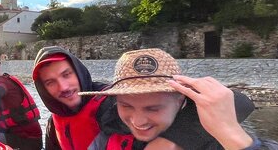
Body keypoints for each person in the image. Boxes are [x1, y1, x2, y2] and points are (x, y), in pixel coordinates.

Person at [32, 46, 254, 150]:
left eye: (66, 74)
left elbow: (239, 100)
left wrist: (171, 140)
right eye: (50, 82)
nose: (63, 87)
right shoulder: (54, 122)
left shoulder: (110, 101)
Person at [80, 48, 278, 150]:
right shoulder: (107, 137)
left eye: (153, 109)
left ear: (181, 101)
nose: (138, 121)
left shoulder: (216, 139)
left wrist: (231, 134)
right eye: (126, 106)